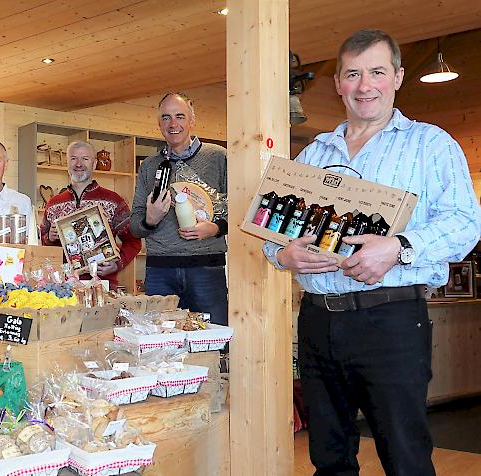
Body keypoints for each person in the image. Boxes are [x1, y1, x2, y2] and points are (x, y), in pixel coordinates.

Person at [263, 29, 481, 475]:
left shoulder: (430, 144)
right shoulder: (311, 156)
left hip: (391, 322)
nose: (365, 86)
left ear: (398, 77)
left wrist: (399, 247)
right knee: (328, 455)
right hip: (318, 321)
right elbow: (270, 233)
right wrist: (284, 255)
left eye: (377, 72)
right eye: (353, 74)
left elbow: (466, 224)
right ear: (339, 83)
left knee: (405, 457)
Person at [130, 92, 229, 326]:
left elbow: (242, 207)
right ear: (159, 124)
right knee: (161, 346)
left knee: (211, 341)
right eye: (166, 118)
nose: (173, 124)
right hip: (159, 272)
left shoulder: (217, 157)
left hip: (206, 268)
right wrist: (150, 220)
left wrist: (215, 228)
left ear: (192, 120)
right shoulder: (149, 166)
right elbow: (134, 225)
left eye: (179, 116)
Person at [40, 140, 141, 290]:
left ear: (94, 164)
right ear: (67, 164)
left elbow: (134, 241)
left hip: (102, 286)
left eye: (85, 159)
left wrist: (117, 264)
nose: (78, 164)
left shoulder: (113, 200)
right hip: (63, 288)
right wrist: (49, 237)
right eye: (73, 158)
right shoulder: (53, 204)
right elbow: (42, 245)